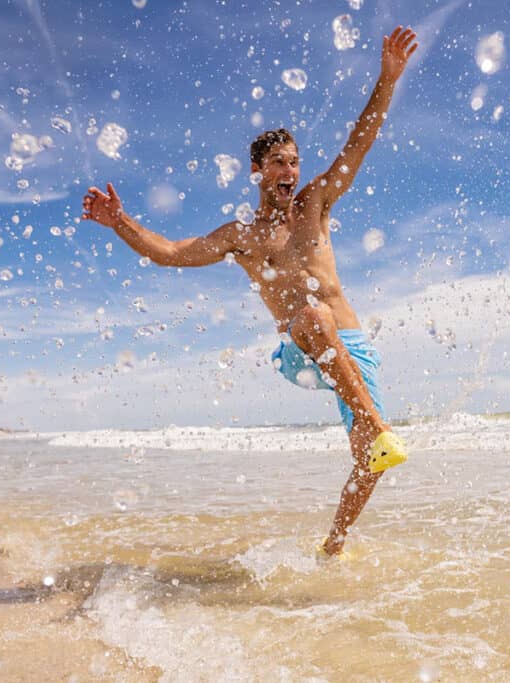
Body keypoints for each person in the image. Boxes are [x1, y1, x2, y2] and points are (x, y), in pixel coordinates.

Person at [82, 26, 419, 556]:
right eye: (280, 162)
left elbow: (362, 140)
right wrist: (120, 221)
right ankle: (378, 426)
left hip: (354, 350)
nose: (291, 170)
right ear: (258, 171)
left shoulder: (315, 206)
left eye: (295, 160)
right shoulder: (241, 238)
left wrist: (387, 78)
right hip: (302, 350)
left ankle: (333, 545)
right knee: (310, 317)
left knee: (366, 459)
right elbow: (170, 251)